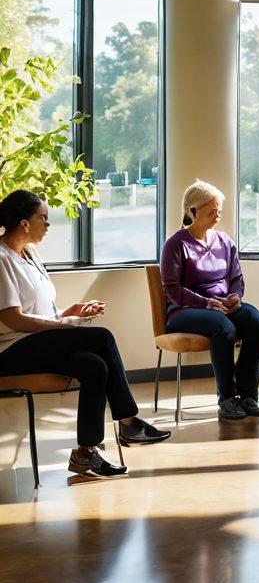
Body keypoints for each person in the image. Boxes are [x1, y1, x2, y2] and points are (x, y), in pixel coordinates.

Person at [0, 190, 170, 479]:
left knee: (95, 367)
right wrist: (63, 326)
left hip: (38, 343)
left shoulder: (31, 254)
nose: (48, 224)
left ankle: (84, 455)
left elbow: (42, 311)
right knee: (102, 337)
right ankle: (129, 421)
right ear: (24, 223)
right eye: (43, 218)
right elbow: (13, 318)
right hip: (10, 351)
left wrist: (70, 313)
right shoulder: (2, 258)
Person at [160, 180, 259, 421]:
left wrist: (235, 296)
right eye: (212, 211)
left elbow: (236, 277)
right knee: (224, 327)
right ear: (192, 211)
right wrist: (206, 302)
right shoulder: (175, 244)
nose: (217, 216)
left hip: (223, 307)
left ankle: (248, 395)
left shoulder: (224, 241)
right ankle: (227, 399)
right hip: (185, 310)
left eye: (219, 210)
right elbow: (172, 289)